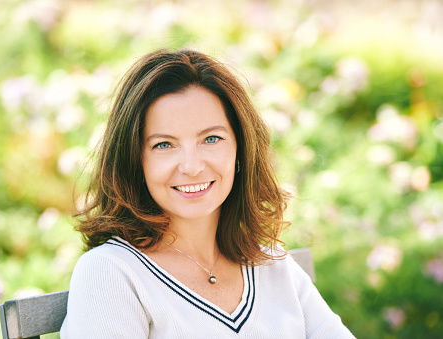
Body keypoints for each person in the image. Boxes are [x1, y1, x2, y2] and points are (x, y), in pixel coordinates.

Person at [60, 49, 355, 338]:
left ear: (241, 149)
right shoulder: (111, 273)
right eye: (164, 144)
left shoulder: (273, 265)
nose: (191, 167)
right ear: (134, 160)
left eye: (211, 139)